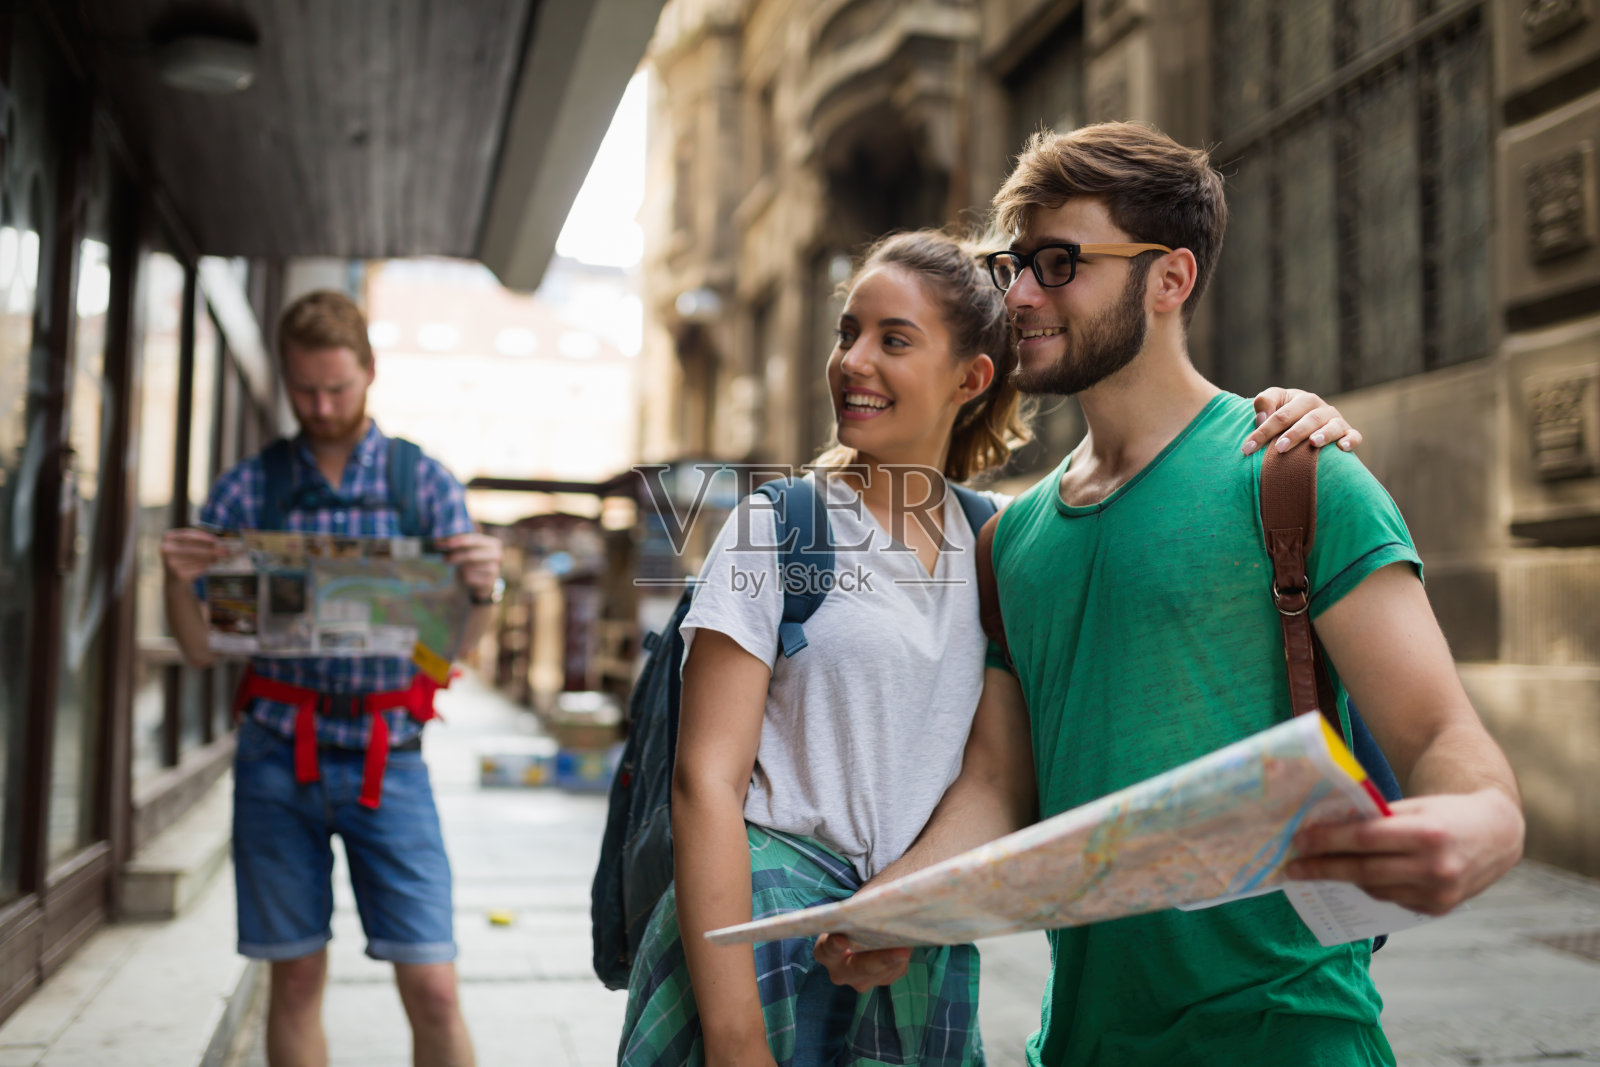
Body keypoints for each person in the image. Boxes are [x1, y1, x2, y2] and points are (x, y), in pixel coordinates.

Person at [816, 123, 1526, 1067]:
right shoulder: (1011, 542)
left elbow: (1446, 743)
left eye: (1060, 262)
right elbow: (999, 781)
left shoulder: (1295, 477)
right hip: (1076, 1044)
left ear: (1170, 280)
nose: (1021, 295)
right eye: (1013, 264)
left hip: (1290, 1037)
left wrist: (1476, 828)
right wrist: (900, 904)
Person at [617, 230, 1362, 1067]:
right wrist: (735, 1038)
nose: (854, 361)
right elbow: (703, 781)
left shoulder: (1002, 544)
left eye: (893, 340)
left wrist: (1297, 415)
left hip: (914, 948)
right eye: (847, 333)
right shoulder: (776, 524)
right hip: (754, 945)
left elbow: (1001, 772)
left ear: (970, 379)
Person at [160, 290, 502, 1067]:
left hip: (391, 757)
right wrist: (178, 583)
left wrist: (484, 592)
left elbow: (448, 655)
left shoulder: (424, 484)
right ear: (284, 380)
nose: (320, 406)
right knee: (295, 977)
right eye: (304, 390)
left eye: (337, 389)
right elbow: (201, 649)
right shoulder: (251, 488)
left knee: (434, 986)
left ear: (370, 373)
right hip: (277, 757)